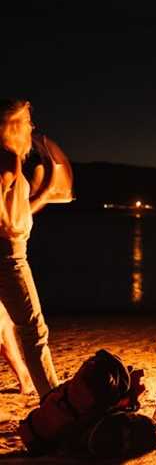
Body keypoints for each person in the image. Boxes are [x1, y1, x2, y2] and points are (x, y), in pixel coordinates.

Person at [0, 99, 60, 397]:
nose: (31, 127)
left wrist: (45, 193)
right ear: (12, 125)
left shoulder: (10, 161)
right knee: (34, 331)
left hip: (8, 248)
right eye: (26, 121)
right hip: (9, 258)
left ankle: (27, 382)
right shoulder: (7, 158)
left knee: (4, 328)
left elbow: (15, 213)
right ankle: (53, 399)